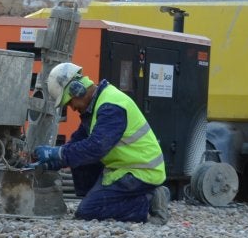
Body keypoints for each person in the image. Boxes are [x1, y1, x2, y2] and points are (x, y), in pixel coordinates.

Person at [33, 62, 170, 224]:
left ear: (78, 90)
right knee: (80, 158)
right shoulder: (95, 107)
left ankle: (149, 200)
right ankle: (101, 197)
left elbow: (96, 148)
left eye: (70, 103)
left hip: (142, 172)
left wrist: (56, 153)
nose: (72, 108)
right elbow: (78, 142)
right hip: (125, 167)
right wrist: (54, 161)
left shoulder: (111, 107)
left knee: (88, 211)